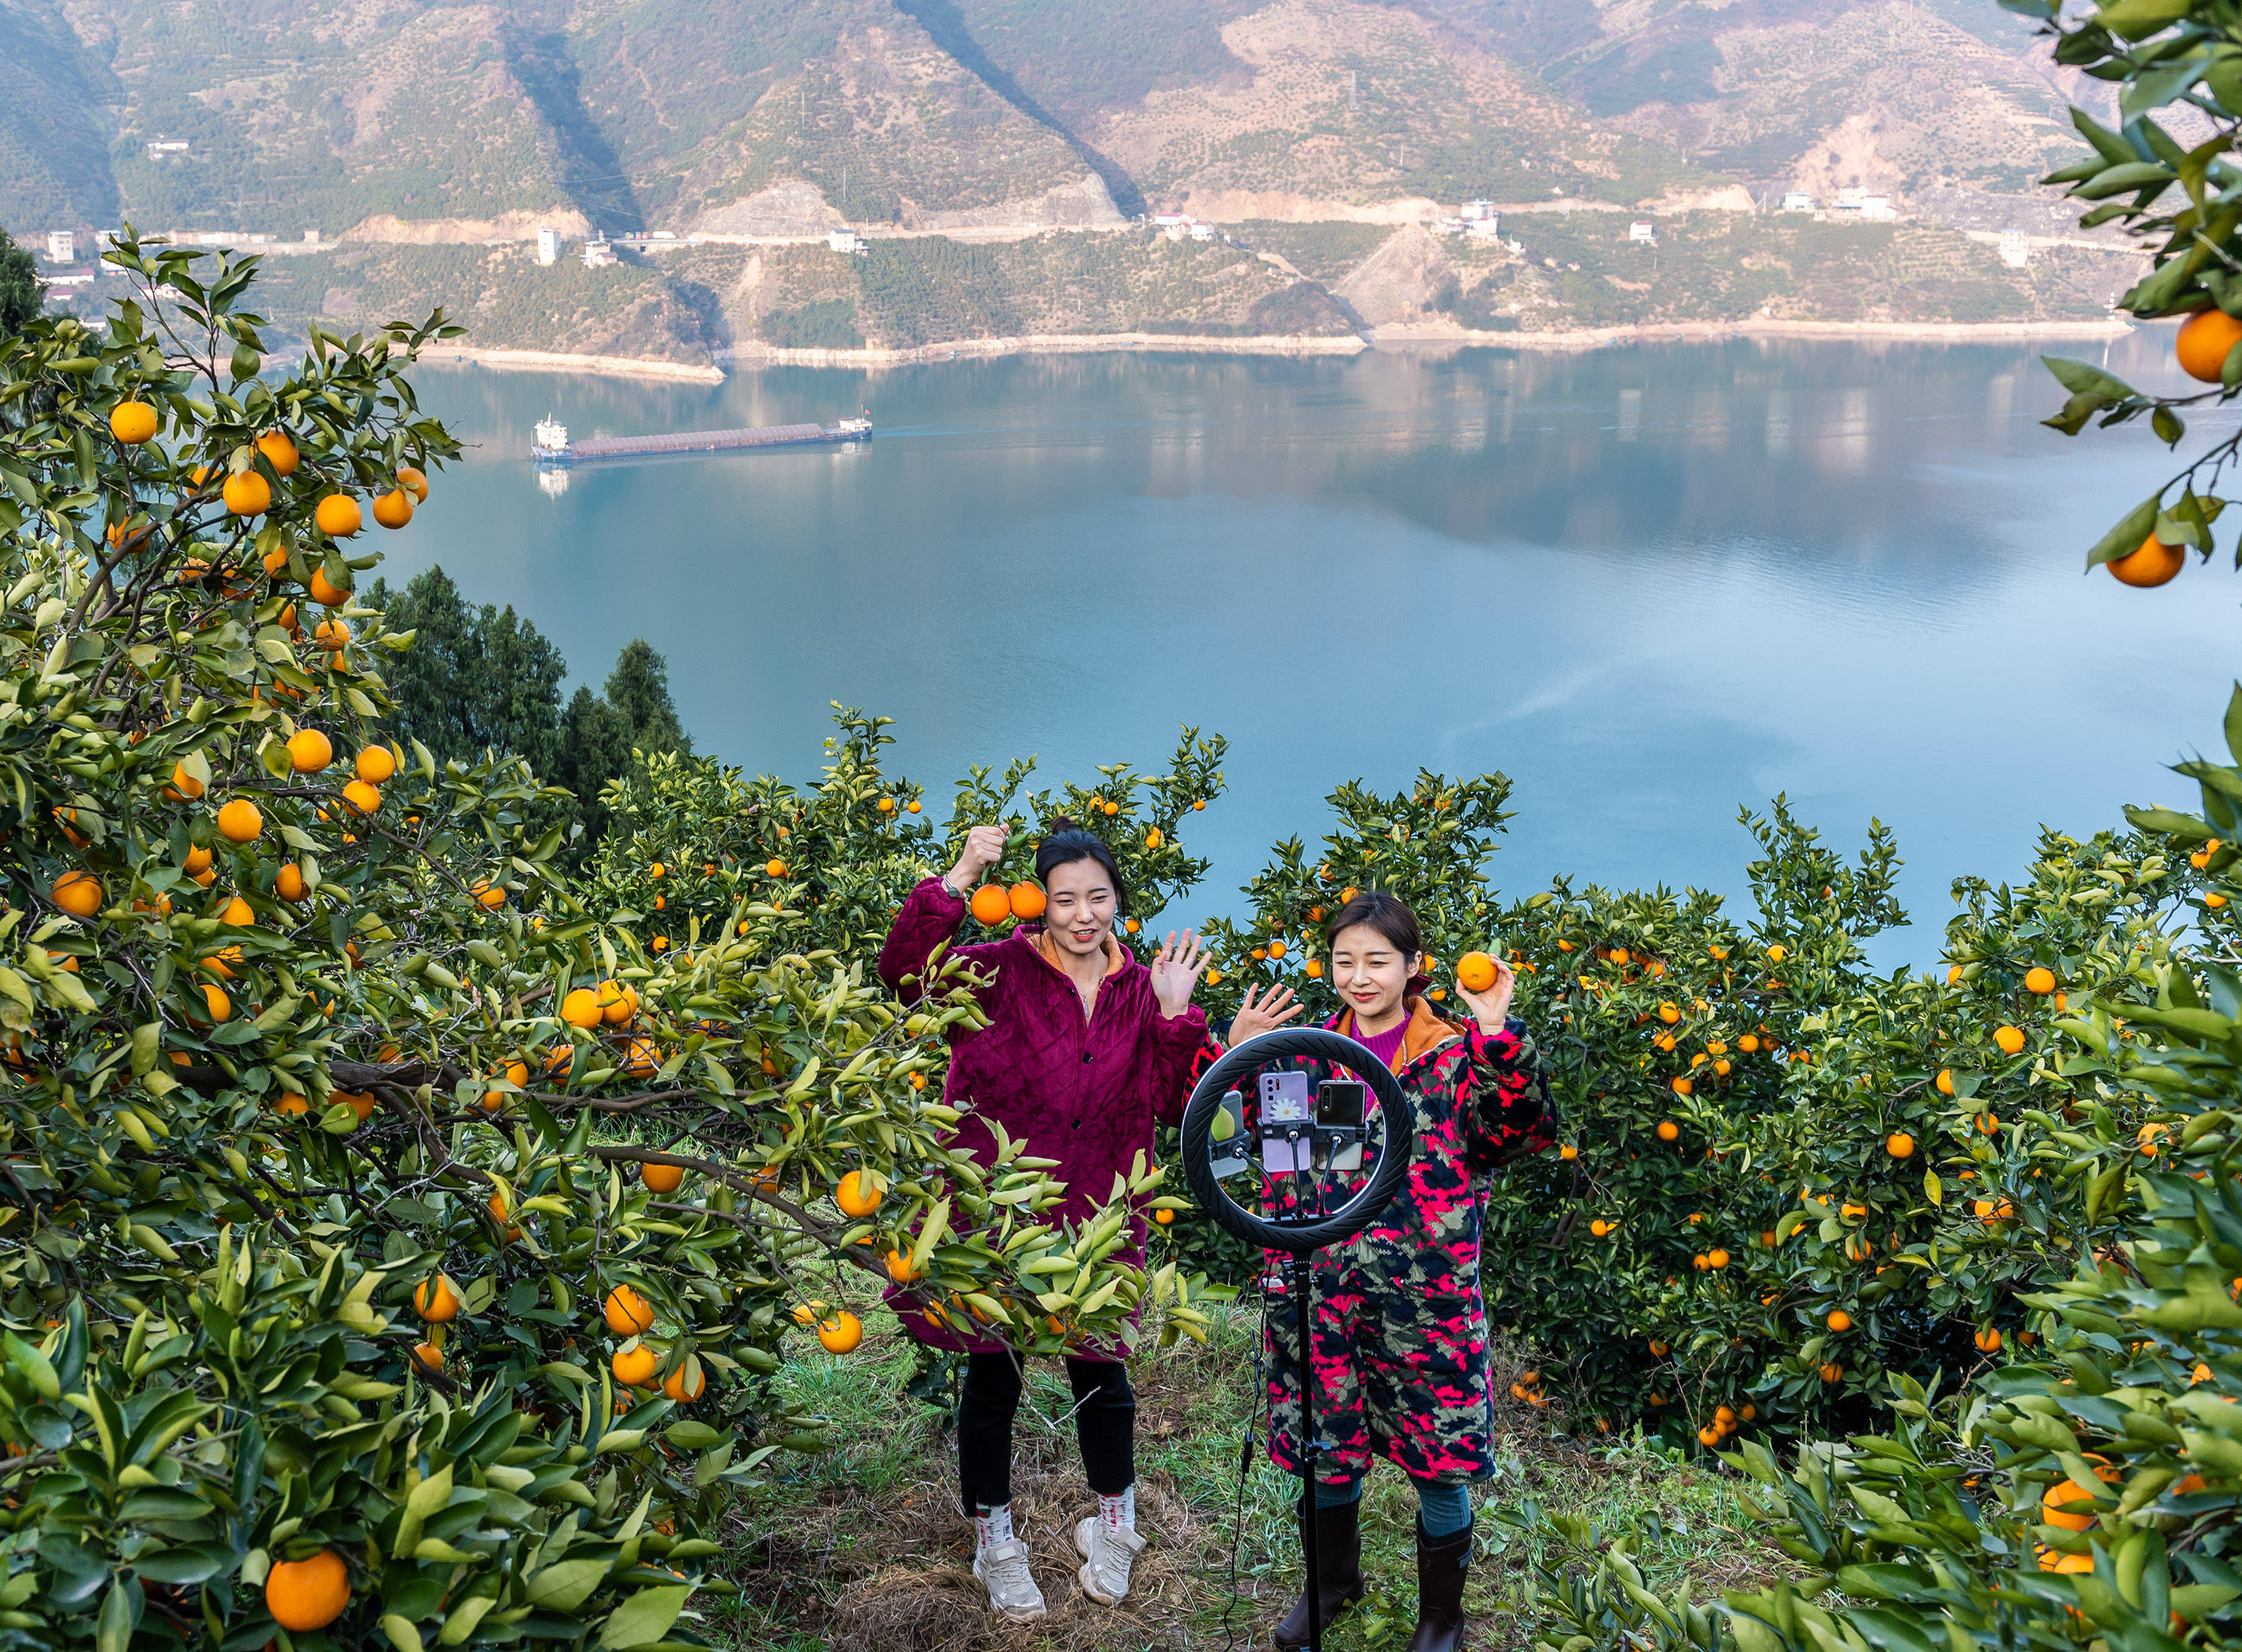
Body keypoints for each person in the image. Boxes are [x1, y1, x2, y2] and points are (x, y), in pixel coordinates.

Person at [878, 818, 1211, 1624]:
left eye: (1098, 897)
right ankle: (995, 1540)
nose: (1083, 915)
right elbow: (904, 977)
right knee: (992, 1377)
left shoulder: (1145, 988)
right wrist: (957, 879)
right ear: (1040, 905)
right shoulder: (994, 973)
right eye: (1066, 900)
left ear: (1119, 901)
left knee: (1103, 1375)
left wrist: (1176, 1016)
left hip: (1099, 1212)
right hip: (1001, 1208)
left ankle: (1117, 1528)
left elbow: (1173, 1105)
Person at [1211, 888, 1551, 1652]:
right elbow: (1255, 1163)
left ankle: (1441, 1620)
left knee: (1440, 1464)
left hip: (1424, 1302)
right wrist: (1236, 1060)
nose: (1360, 977)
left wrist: (1496, 1030)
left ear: (1413, 966)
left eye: (1377, 961)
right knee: (1325, 1450)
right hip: (1323, 1296)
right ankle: (1332, 1585)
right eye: (1345, 961)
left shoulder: (1453, 1058)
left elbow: (1519, 1132)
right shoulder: (1305, 1054)